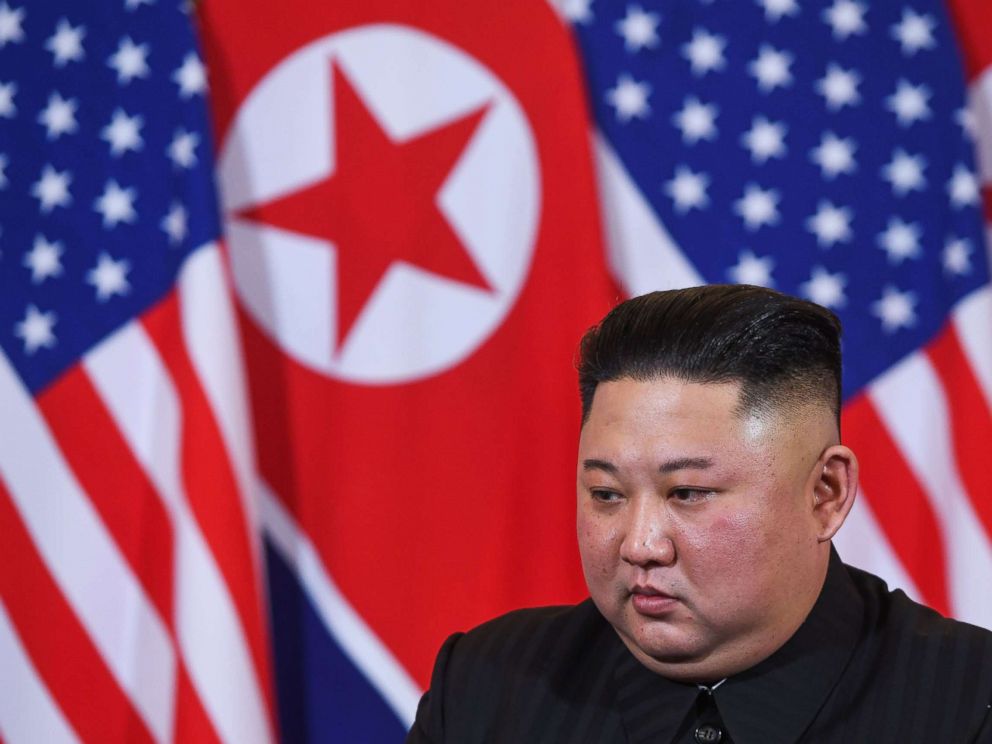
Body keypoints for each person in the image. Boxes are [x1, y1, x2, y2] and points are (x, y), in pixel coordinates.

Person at [406, 285, 992, 744]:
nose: (640, 545)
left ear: (826, 494)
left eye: (687, 493)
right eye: (606, 494)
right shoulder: (488, 687)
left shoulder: (968, 704)